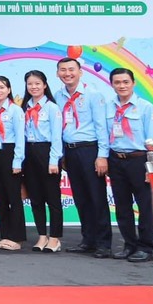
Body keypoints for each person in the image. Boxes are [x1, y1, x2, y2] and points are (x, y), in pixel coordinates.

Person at [56, 56, 112, 257]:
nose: (67, 74)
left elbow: (101, 127)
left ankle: (103, 243)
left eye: (71, 69)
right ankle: (88, 240)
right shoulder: (58, 95)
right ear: (58, 73)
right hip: (70, 151)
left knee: (97, 197)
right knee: (80, 198)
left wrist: (102, 155)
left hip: (90, 150)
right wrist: (63, 154)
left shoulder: (93, 95)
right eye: (63, 70)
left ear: (80, 72)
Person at [106, 67, 153, 263]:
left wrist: (150, 168)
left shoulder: (146, 107)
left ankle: (146, 247)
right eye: (117, 82)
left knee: (144, 205)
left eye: (125, 82)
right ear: (112, 84)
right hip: (116, 160)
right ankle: (129, 245)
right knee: (122, 205)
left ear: (133, 83)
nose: (122, 86)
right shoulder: (108, 107)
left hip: (139, 160)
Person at [21, 70, 63, 252]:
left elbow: (57, 136)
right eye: (30, 84)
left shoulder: (52, 108)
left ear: (45, 85)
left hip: (47, 153)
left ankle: (54, 238)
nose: (34, 87)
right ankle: (42, 236)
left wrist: (54, 160)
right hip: (29, 154)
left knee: (52, 199)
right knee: (36, 198)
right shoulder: (24, 107)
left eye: (37, 83)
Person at [0, 75, 26, 251]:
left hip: (10, 153)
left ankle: (17, 238)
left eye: (2, 87)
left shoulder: (15, 110)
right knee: (0, 197)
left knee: (13, 197)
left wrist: (17, 161)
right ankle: (6, 235)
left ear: (8, 90)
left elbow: (20, 138)